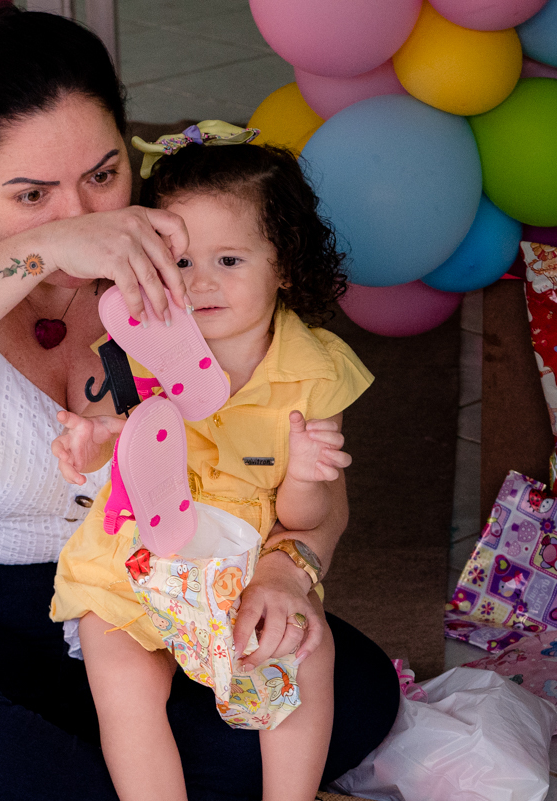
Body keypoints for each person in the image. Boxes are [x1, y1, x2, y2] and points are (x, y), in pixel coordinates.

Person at [0, 7, 399, 801]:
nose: (82, 214)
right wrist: (45, 253)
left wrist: (289, 570)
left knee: (348, 688)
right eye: (30, 193)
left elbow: (291, 451)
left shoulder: (186, 246)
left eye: (102, 174)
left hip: (148, 593)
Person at [49, 131, 368, 801]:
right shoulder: (137, 349)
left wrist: (308, 473)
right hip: (134, 565)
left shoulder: (312, 374)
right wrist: (95, 440)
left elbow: (306, 522)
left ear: (283, 264)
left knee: (308, 651)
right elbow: (132, 437)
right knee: (124, 679)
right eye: (182, 261)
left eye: (229, 258)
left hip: (244, 567)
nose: (200, 283)